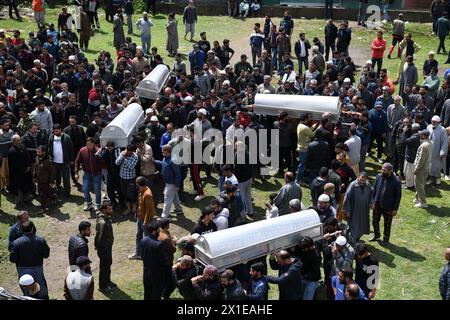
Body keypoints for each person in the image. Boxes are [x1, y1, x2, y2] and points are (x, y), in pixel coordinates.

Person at [10, 221, 50, 299]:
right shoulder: (40, 240)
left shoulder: (16, 243)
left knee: (27, 288)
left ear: (22, 230)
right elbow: (46, 255)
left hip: (22, 270)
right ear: (32, 228)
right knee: (41, 287)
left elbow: (12, 259)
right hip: (38, 268)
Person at [370, 163, 402, 243]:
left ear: (390, 171)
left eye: (384, 170)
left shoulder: (396, 181)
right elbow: (374, 189)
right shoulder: (379, 176)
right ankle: (376, 235)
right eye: (382, 169)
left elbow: (398, 196)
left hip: (389, 207)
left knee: (387, 224)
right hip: (378, 204)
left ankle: (385, 239)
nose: (382, 171)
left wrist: (395, 209)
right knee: (374, 221)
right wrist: (373, 201)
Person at [129, 176, 156, 260]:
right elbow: (140, 205)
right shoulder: (141, 191)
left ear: (138, 184)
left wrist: (145, 222)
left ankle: (150, 255)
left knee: (148, 238)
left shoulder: (147, 194)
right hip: (140, 218)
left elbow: (149, 210)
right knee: (139, 236)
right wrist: (137, 214)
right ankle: (138, 253)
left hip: (145, 220)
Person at [343, 172, 374, 243]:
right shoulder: (353, 185)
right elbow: (347, 198)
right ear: (358, 177)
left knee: (362, 225)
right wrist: (347, 211)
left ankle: (357, 239)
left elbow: (372, 194)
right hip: (354, 210)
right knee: (353, 226)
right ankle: (352, 241)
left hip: (364, 210)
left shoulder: (368, 185)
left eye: (364, 180)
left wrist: (372, 202)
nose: (362, 182)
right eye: (361, 180)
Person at [141, 219, 168, 300]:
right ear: (153, 231)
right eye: (158, 230)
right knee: (156, 293)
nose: (159, 231)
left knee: (147, 291)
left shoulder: (143, 240)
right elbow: (163, 260)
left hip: (146, 271)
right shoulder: (158, 244)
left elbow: (142, 256)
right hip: (156, 273)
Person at [156, 145, 183, 219]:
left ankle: (164, 216)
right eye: (162, 152)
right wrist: (154, 161)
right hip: (168, 182)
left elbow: (178, 174)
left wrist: (177, 185)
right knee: (174, 196)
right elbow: (163, 163)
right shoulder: (166, 158)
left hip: (171, 184)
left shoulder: (173, 160)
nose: (162, 153)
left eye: (164, 152)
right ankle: (179, 209)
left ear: (169, 152)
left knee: (167, 199)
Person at [75, 137, 102, 212]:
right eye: (87, 144)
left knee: (97, 190)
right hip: (87, 173)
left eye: (90, 144)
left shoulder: (98, 151)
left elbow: (103, 162)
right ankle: (89, 203)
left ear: (93, 144)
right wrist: (76, 172)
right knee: (85, 189)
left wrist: (100, 155)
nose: (88, 146)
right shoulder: (82, 150)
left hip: (97, 173)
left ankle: (98, 204)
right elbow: (77, 161)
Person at [94, 201, 115, 292]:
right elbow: (98, 236)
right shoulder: (102, 222)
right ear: (104, 210)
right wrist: (98, 246)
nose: (111, 210)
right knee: (104, 266)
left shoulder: (107, 218)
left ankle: (107, 281)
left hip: (108, 246)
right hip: (104, 248)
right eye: (109, 209)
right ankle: (102, 286)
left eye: (111, 208)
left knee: (108, 263)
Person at [48, 124, 74, 198]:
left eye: (57, 131)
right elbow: (49, 149)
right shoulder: (51, 137)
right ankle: (58, 187)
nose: (56, 132)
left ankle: (67, 192)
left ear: (60, 130)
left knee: (66, 178)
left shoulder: (66, 137)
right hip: (55, 162)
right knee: (56, 176)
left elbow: (71, 149)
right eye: (55, 131)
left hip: (65, 162)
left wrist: (72, 159)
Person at [8, 134, 33, 208]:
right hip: (17, 174)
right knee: (19, 189)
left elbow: (27, 156)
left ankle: (27, 200)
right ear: (14, 142)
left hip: (26, 172)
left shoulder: (23, 147)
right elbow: (16, 164)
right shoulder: (12, 151)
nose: (20, 141)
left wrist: (28, 166)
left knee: (26, 187)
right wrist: (24, 169)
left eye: (20, 140)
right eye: (18, 140)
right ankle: (19, 203)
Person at [115, 144, 138, 215]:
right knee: (124, 194)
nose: (128, 153)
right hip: (122, 178)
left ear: (132, 151)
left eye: (129, 152)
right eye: (127, 151)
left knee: (131, 193)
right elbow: (117, 163)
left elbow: (131, 167)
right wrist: (122, 156)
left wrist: (125, 158)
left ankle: (134, 207)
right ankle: (128, 208)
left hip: (131, 178)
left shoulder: (135, 156)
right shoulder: (122, 154)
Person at [413, 130, 433, 208]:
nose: (419, 135)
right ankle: (417, 198)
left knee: (419, 185)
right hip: (426, 167)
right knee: (421, 184)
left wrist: (416, 169)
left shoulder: (424, 146)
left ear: (424, 136)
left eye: (421, 134)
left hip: (421, 168)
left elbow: (421, 159)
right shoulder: (430, 143)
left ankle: (423, 203)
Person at [427, 116, 448, 185]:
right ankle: (430, 178)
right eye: (432, 121)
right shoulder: (429, 127)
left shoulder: (442, 130)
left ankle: (438, 178)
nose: (433, 123)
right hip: (429, 150)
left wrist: (442, 151)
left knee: (437, 165)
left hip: (437, 151)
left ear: (438, 122)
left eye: (435, 122)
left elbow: (445, 141)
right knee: (429, 165)